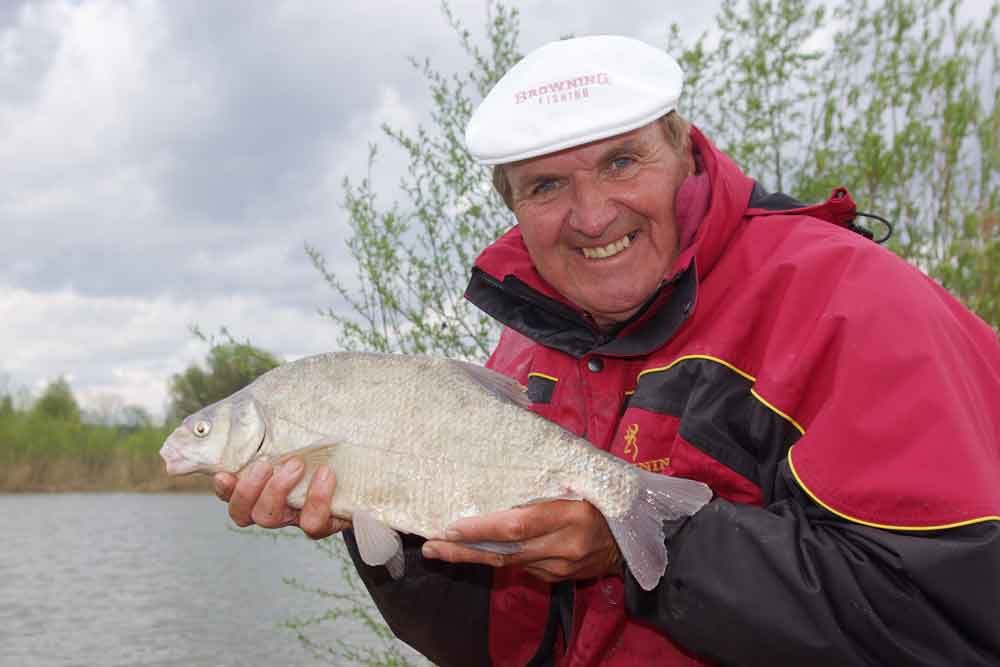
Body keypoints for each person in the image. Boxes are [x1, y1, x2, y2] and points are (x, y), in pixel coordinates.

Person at [213, 35, 1000, 666]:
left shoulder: (856, 302)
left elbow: (957, 617)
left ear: (686, 152)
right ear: (513, 206)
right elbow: (504, 643)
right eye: (546, 186)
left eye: (621, 162)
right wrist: (381, 518)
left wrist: (638, 550)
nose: (591, 216)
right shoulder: (526, 348)